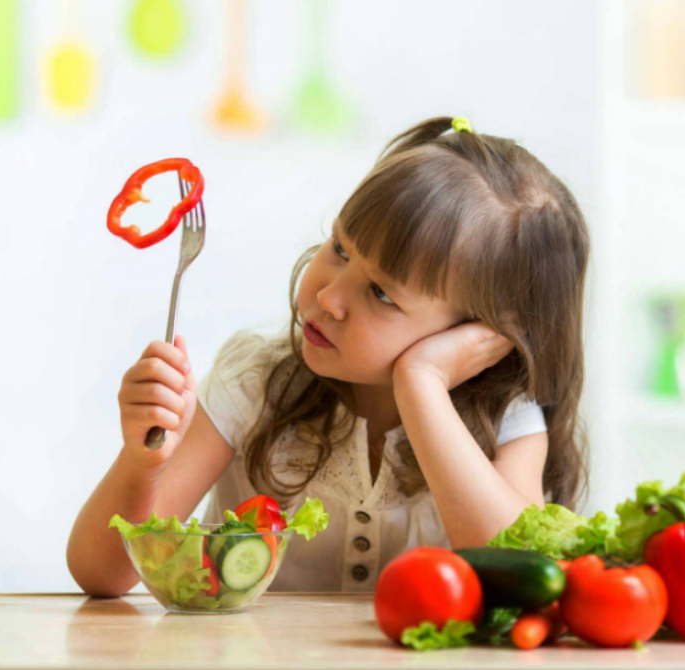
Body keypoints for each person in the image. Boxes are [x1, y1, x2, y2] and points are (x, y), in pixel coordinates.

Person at [68, 115, 590, 596]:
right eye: (340, 248)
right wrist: (142, 465)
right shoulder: (252, 380)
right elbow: (103, 574)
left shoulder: (507, 418)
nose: (329, 297)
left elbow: (521, 582)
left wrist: (422, 382)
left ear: (483, 336)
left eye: (383, 294)